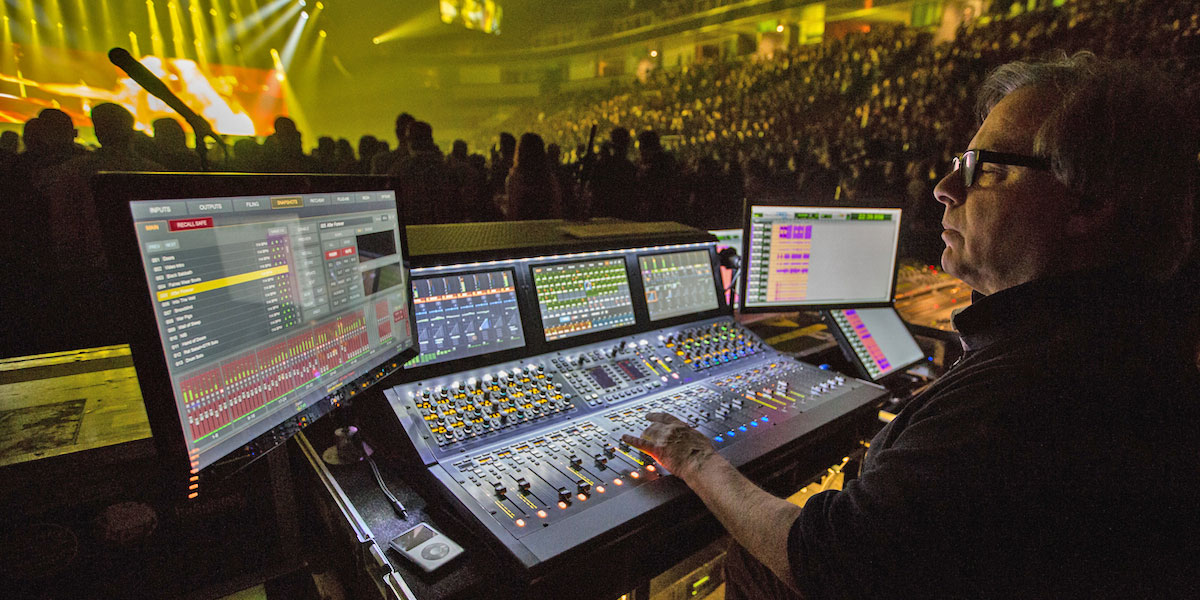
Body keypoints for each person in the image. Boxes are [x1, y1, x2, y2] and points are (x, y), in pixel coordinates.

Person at [623, 53, 1200, 599]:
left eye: (985, 169)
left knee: (752, 558)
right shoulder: (1121, 335)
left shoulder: (1034, 387)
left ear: (1090, 203)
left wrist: (697, 458)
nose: (945, 189)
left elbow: (828, 560)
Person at [505, 132, 561, 221]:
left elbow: (512, 212)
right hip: (546, 228)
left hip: (520, 230)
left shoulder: (515, 179)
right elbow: (556, 209)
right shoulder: (549, 178)